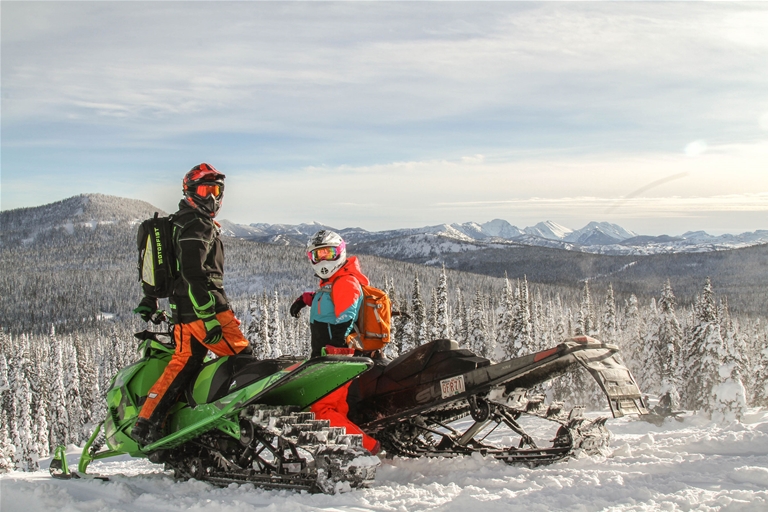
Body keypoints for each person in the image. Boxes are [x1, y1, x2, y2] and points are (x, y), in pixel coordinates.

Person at [131, 163, 250, 446]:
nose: (211, 197)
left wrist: (151, 298)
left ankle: (147, 422)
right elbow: (193, 273)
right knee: (244, 361)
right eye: (205, 189)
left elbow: (168, 268)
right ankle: (241, 421)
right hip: (206, 310)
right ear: (190, 191)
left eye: (216, 190)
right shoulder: (197, 223)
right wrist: (208, 316)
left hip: (183, 314)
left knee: (183, 364)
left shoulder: (177, 222)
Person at [289, 230, 380, 454]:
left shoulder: (346, 281)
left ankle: (368, 449)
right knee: (335, 408)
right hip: (330, 355)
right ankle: (343, 450)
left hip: (336, 356)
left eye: (328, 253)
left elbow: (346, 314)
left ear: (339, 253)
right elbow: (328, 300)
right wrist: (305, 299)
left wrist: (337, 347)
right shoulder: (333, 281)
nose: (323, 260)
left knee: (321, 409)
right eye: (317, 255)